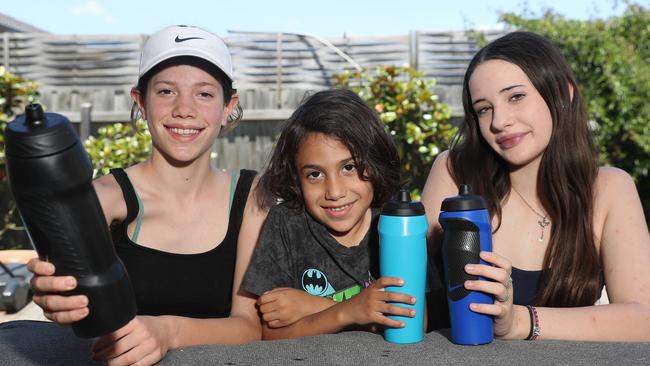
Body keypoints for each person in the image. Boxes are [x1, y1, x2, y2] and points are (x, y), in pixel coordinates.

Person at [27, 25, 266, 364]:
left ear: (229, 106)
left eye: (205, 94)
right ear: (140, 101)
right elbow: (68, 293)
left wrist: (167, 332)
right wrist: (58, 295)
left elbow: (248, 327)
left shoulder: (251, 196)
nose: (185, 109)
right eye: (167, 91)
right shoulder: (103, 199)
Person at [421, 31, 650, 341]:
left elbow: (643, 318)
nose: (499, 121)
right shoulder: (454, 172)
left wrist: (519, 321)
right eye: (484, 109)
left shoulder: (608, 189)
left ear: (563, 94)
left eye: (515, 96)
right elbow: (407, 291)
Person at [241, 89, 430, 339]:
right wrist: (350, 312)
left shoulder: (398, 225)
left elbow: (412, 321)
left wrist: (318, 308)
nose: (334, 191)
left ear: (376, 163)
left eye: (349, 167)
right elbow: (270, 334)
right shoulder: (286, 223)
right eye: (315, 174)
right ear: (296, 180)